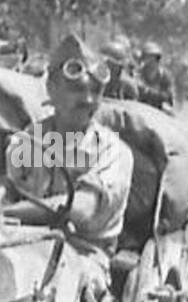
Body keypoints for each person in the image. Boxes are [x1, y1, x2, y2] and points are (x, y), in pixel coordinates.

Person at [17, 35, 133, 281]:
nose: (89, 100)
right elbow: (7, 185)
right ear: (51, 89)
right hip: (22, 244)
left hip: (83, 256)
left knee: (58, 286)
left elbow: (80, 209)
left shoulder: (112, 150)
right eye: (77, 89)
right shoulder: (31, 136)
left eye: (96, 91)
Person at [136, 41, 175, 111]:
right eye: (146, 57)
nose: (149, 61)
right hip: (141, 106)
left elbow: (168, 98)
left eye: (152, 58)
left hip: (157, 109)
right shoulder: (139, 73)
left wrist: (149, 92)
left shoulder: (164, 76)